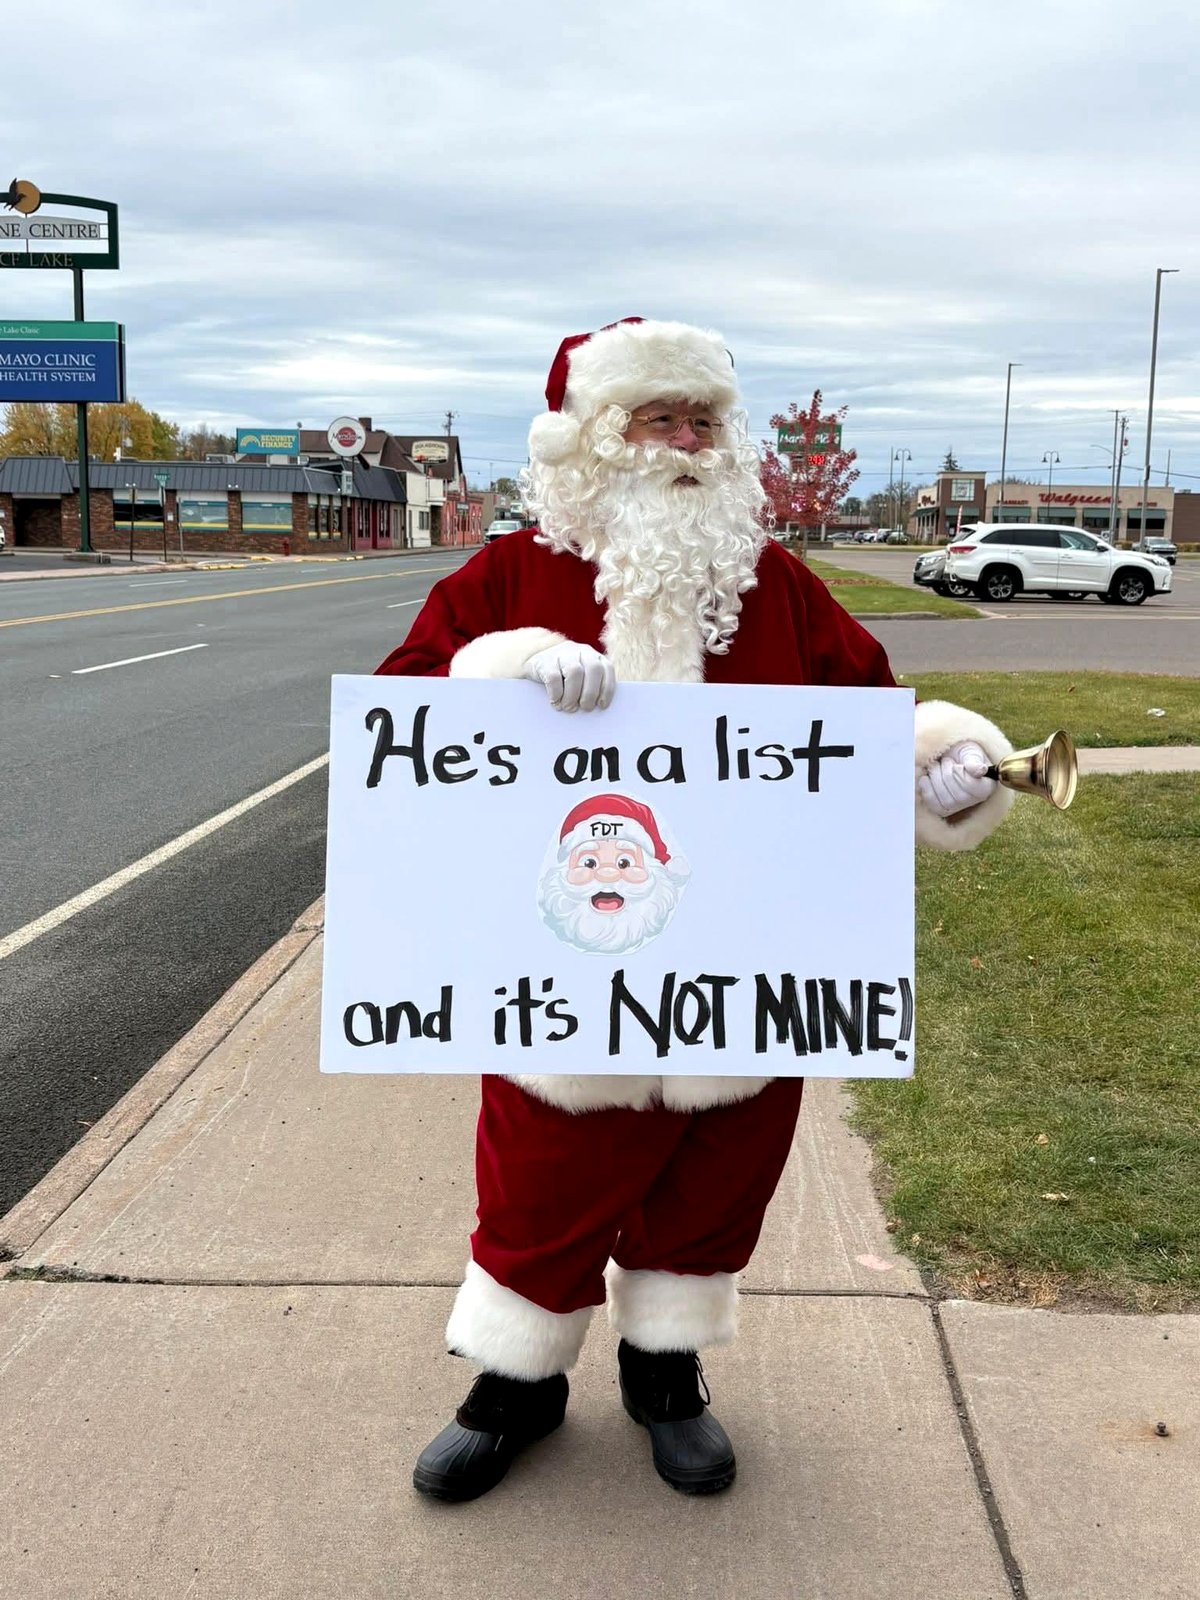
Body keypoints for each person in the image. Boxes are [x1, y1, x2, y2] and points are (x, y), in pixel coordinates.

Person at [376, 316, 1014, 1503]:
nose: (684, 442)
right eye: (656, 417)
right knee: (541, 1185)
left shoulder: (773, 580)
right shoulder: (508, 573)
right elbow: (403, 720)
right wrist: (503, 671)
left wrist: (937, 767)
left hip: (745, 966)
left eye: (703, 420)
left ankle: (667, 1374)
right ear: (591, 438)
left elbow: (867, 712)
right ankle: (516, 1381)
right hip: (562, 963)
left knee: (718, 1180)